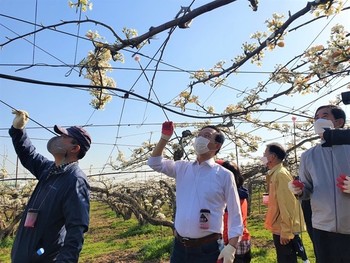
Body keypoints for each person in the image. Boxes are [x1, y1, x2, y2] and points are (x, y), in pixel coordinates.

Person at [147, 121, 243, 263]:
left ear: (217, 145)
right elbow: (154, 163)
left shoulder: (224, 175)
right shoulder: (182, 168)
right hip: (180, 247)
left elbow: (235, 214)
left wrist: (232, 246)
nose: (200, 138)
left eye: (206, 135)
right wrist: (164, 138)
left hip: (208, 249)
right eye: (199, 135)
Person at [9, 110, 91, 263]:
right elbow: (28, 155)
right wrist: (18, 130)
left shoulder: (75, 180)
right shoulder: (49, 170)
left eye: (64, 137)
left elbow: (76, 230)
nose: (58, 138)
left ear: (75, 148)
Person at [289, 105, 350, 263]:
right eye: (316, 118)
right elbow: (306, 189)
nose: (319, 120)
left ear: (338, 122)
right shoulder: (308, 156)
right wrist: (299, 190)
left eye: (324, 116)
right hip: (322, 227)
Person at [262, 143, 307, 263]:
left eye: (264, 154)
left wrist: (286, 231)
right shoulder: (275, 174)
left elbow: (287, 204)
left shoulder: (280, 175)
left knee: (286, 259)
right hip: (279, 226)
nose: (263, 157)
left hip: (283, 229)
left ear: (272, 157)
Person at [216, 160, 251, 263]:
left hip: (234, 243)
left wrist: (226, 243)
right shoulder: (240, 192)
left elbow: (228, 223)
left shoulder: (231, 197)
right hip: (244, 240)